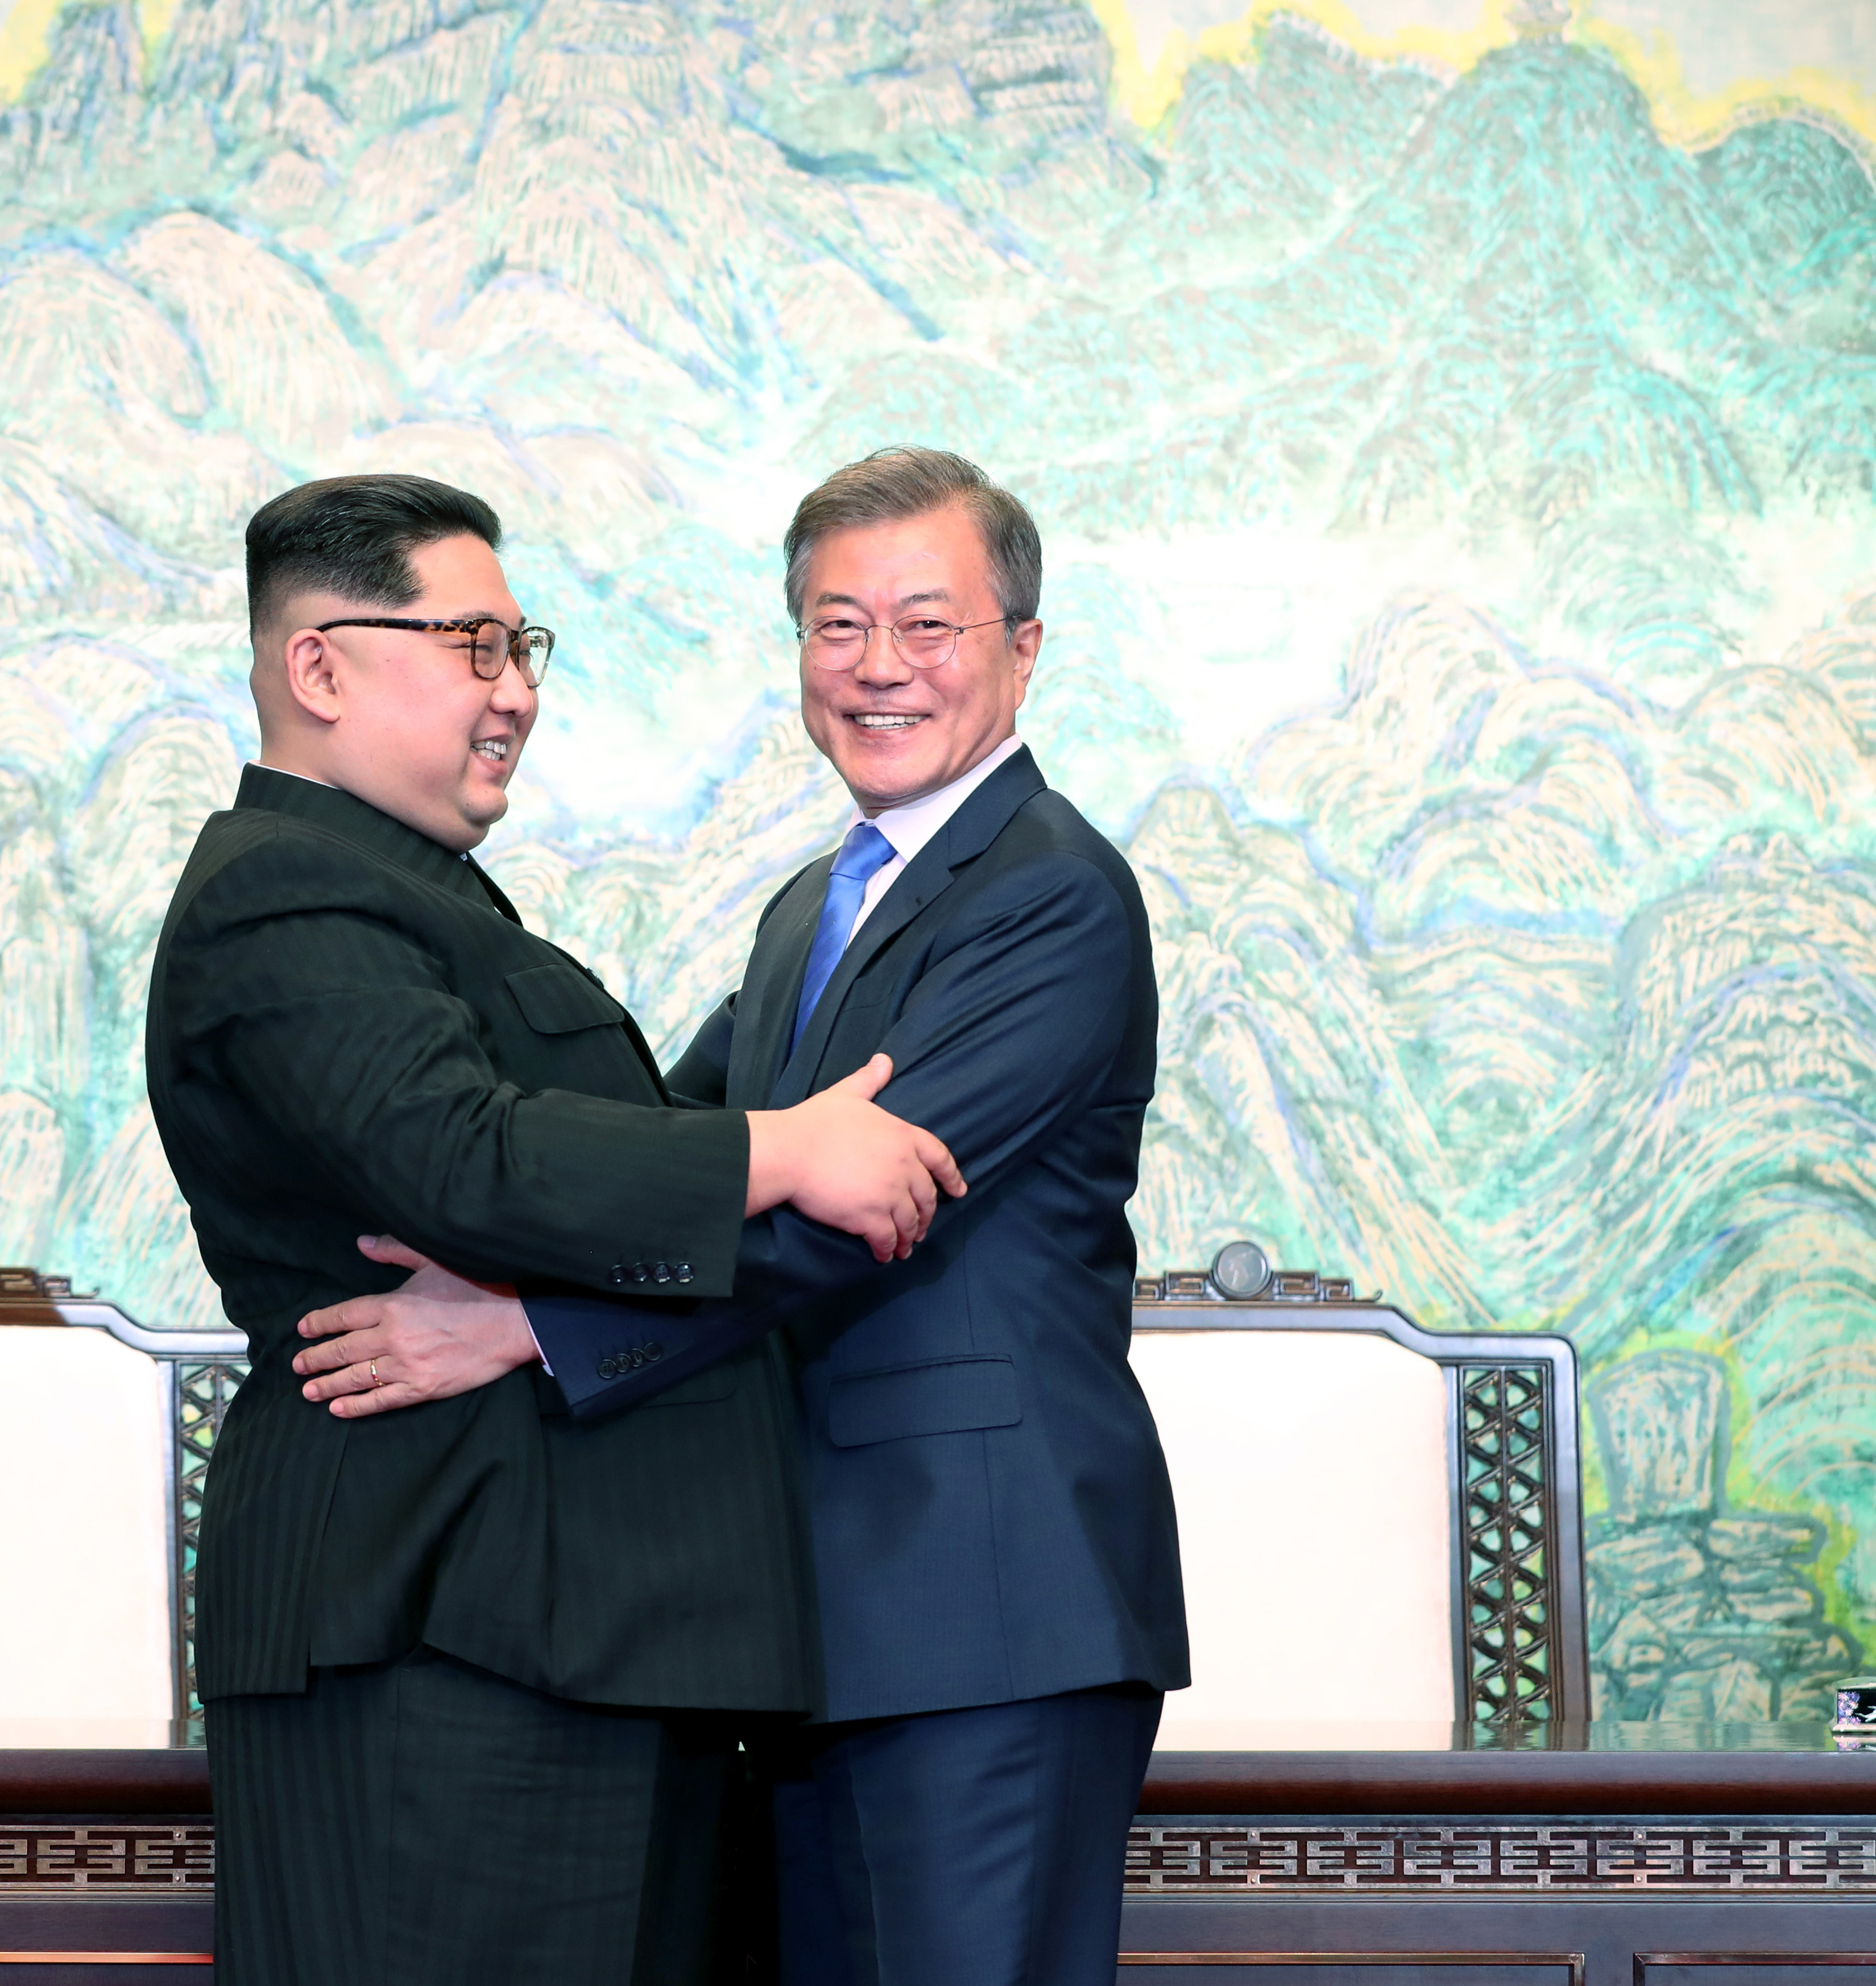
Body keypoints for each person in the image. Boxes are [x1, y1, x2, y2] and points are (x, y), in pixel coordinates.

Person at [295, 446, 1187, 1985]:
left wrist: (516, 1328)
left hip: (985, 1611)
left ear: (1021, 650)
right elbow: (681, 1149)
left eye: (928, 624)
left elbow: (845, 1223)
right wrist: (461, 1171)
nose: (877, 668)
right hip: (806, 1617)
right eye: (835, 626)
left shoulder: (1051, 894)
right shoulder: (809, 910)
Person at [144, 472, 965, 1986]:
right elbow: (466, 1160)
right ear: (320, 665)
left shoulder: (426, 903)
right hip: (445, 1643)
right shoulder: (288, 900)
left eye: (527, 650)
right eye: (475, 647)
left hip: (562, 1645)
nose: (516, 693)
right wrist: (779, 1150)